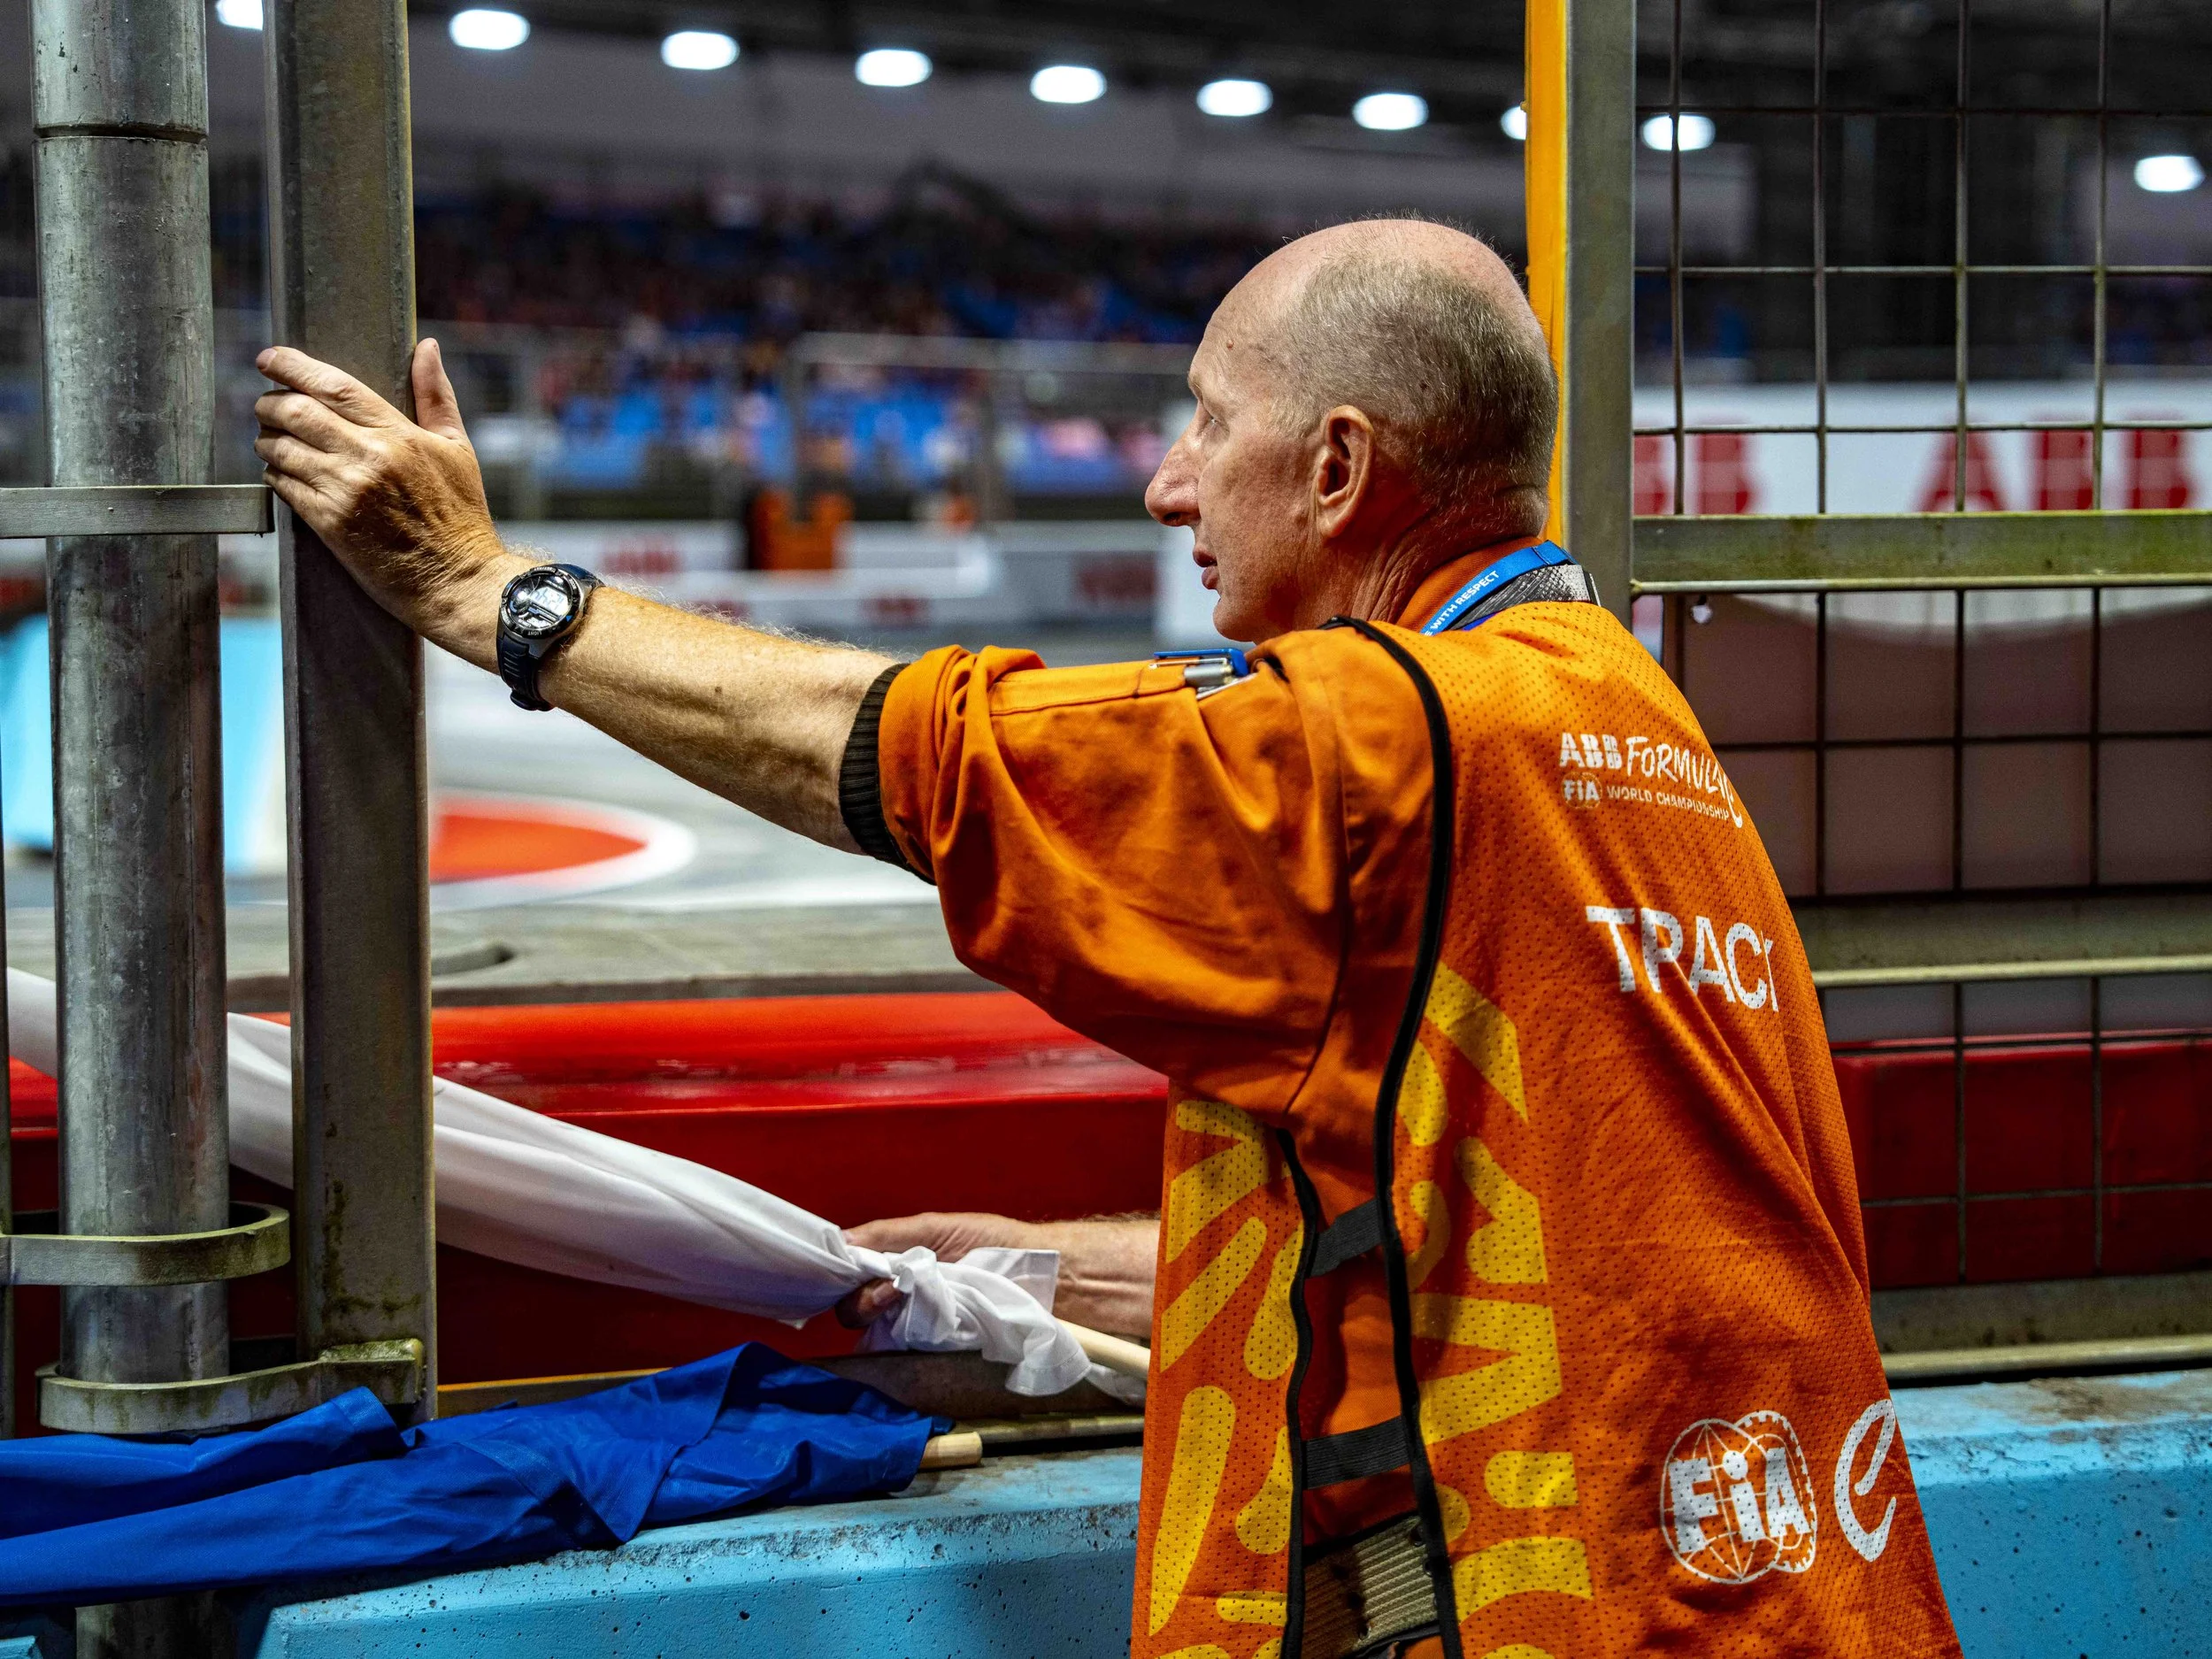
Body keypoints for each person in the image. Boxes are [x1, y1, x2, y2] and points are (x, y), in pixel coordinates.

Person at [255, 217, 1960, 1659]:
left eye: (1207, 424)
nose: (1163, 485)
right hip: (1785, 1580)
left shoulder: (1385, 736)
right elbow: (1543, 1213)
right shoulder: (1608, 713)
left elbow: (915, 752)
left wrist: (487, 593)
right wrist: (1052, 1269)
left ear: (1343, 466)